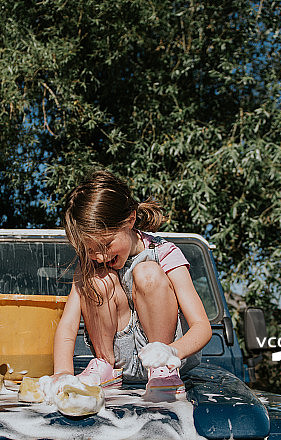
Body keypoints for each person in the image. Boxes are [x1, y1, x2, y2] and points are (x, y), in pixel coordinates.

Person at [52, 170, 212, 398]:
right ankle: (105, 368)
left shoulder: (165, 253)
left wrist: (171, 352)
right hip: (119, 362)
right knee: (97, 280)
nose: (99, 256)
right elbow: (68, 326)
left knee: (147, 272)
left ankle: (162, 371)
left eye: (106, 244)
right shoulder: (90, 263)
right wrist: (63, 373)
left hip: (169, 357)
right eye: (90, 249)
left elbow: (202, 326)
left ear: (130, 220)